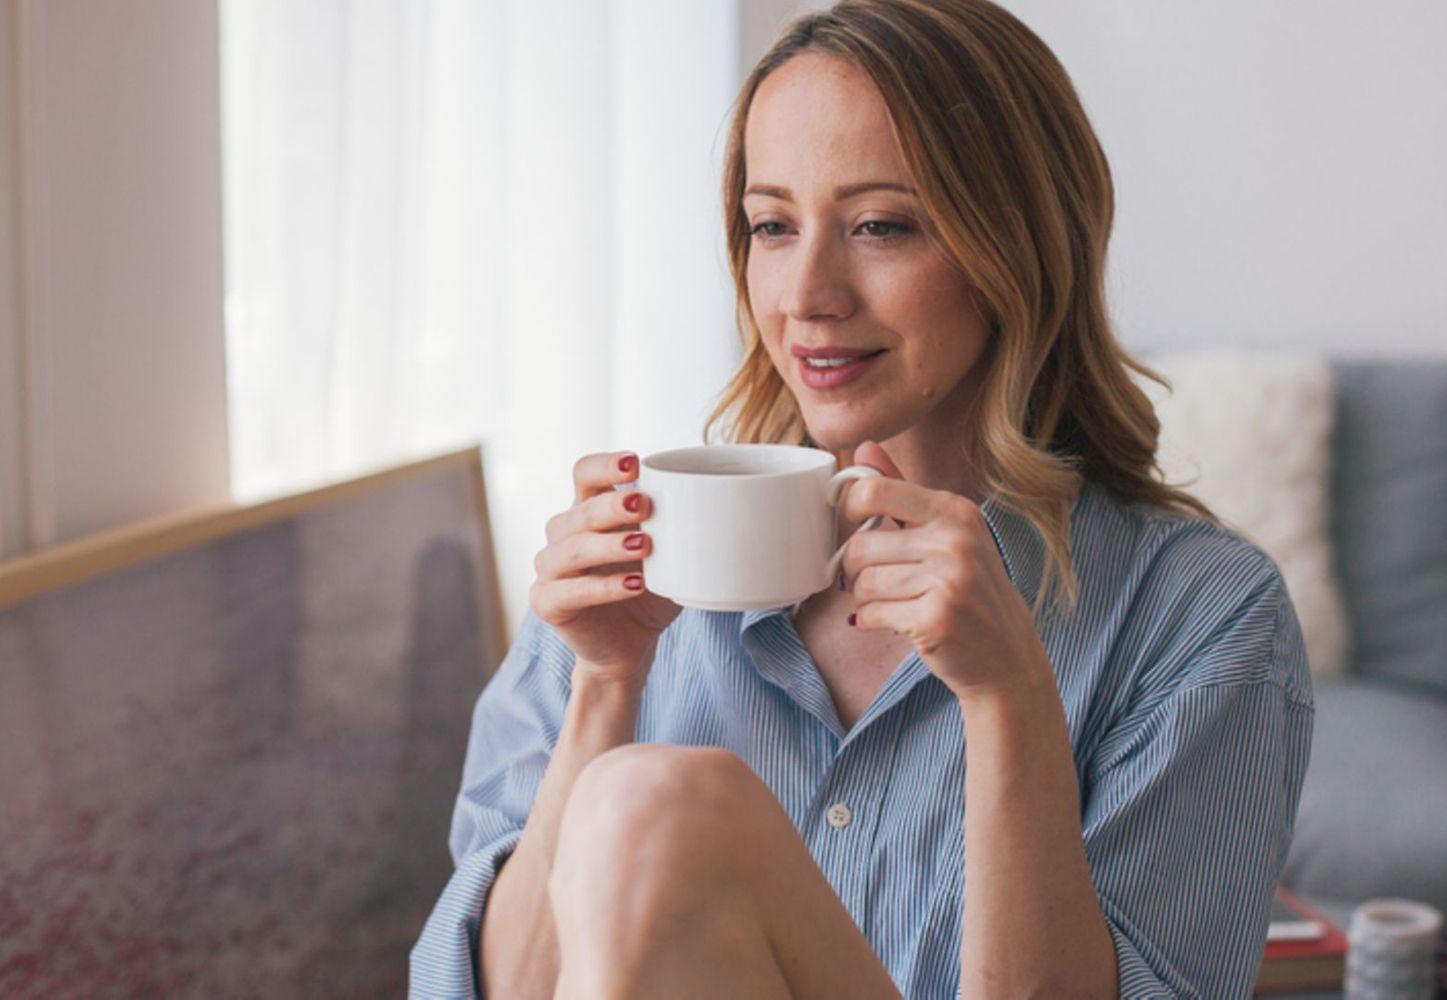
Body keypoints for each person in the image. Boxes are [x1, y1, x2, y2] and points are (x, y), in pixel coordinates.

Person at [411, 0, 1313, 996]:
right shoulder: (635, 571)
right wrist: (602, 687)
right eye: (771, 225)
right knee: (637, 799)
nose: (806, 292)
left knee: (662, 806)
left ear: (1015, 244)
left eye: (880, 225)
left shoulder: (1204, 615)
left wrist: (1007, 697)